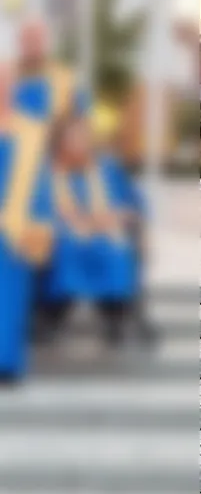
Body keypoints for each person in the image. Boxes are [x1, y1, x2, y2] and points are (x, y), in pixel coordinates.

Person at [40, 115, 144, 345]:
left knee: (114, 251)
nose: (80, 143)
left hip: (104, 231)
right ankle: (53, 314)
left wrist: (121, 215)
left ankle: (113, 316)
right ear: (61, 142)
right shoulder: (49, 173)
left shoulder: (105, 169)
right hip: (64, 235)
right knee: (66, 251)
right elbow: (42, 207)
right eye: (73, 138)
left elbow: (131, 202)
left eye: (83, 137)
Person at [0, 89, 51, 381]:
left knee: (10, 301)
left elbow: (40, 183)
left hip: (14, 232)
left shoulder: (29, 132)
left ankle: (6, 364)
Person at [14, 17, 86, 122]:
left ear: (46, 42)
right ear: (20, 42)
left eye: (36, 39)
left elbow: (81, 118)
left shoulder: (66, 78)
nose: (32, 45)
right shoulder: (6, 77)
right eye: (28, 39)